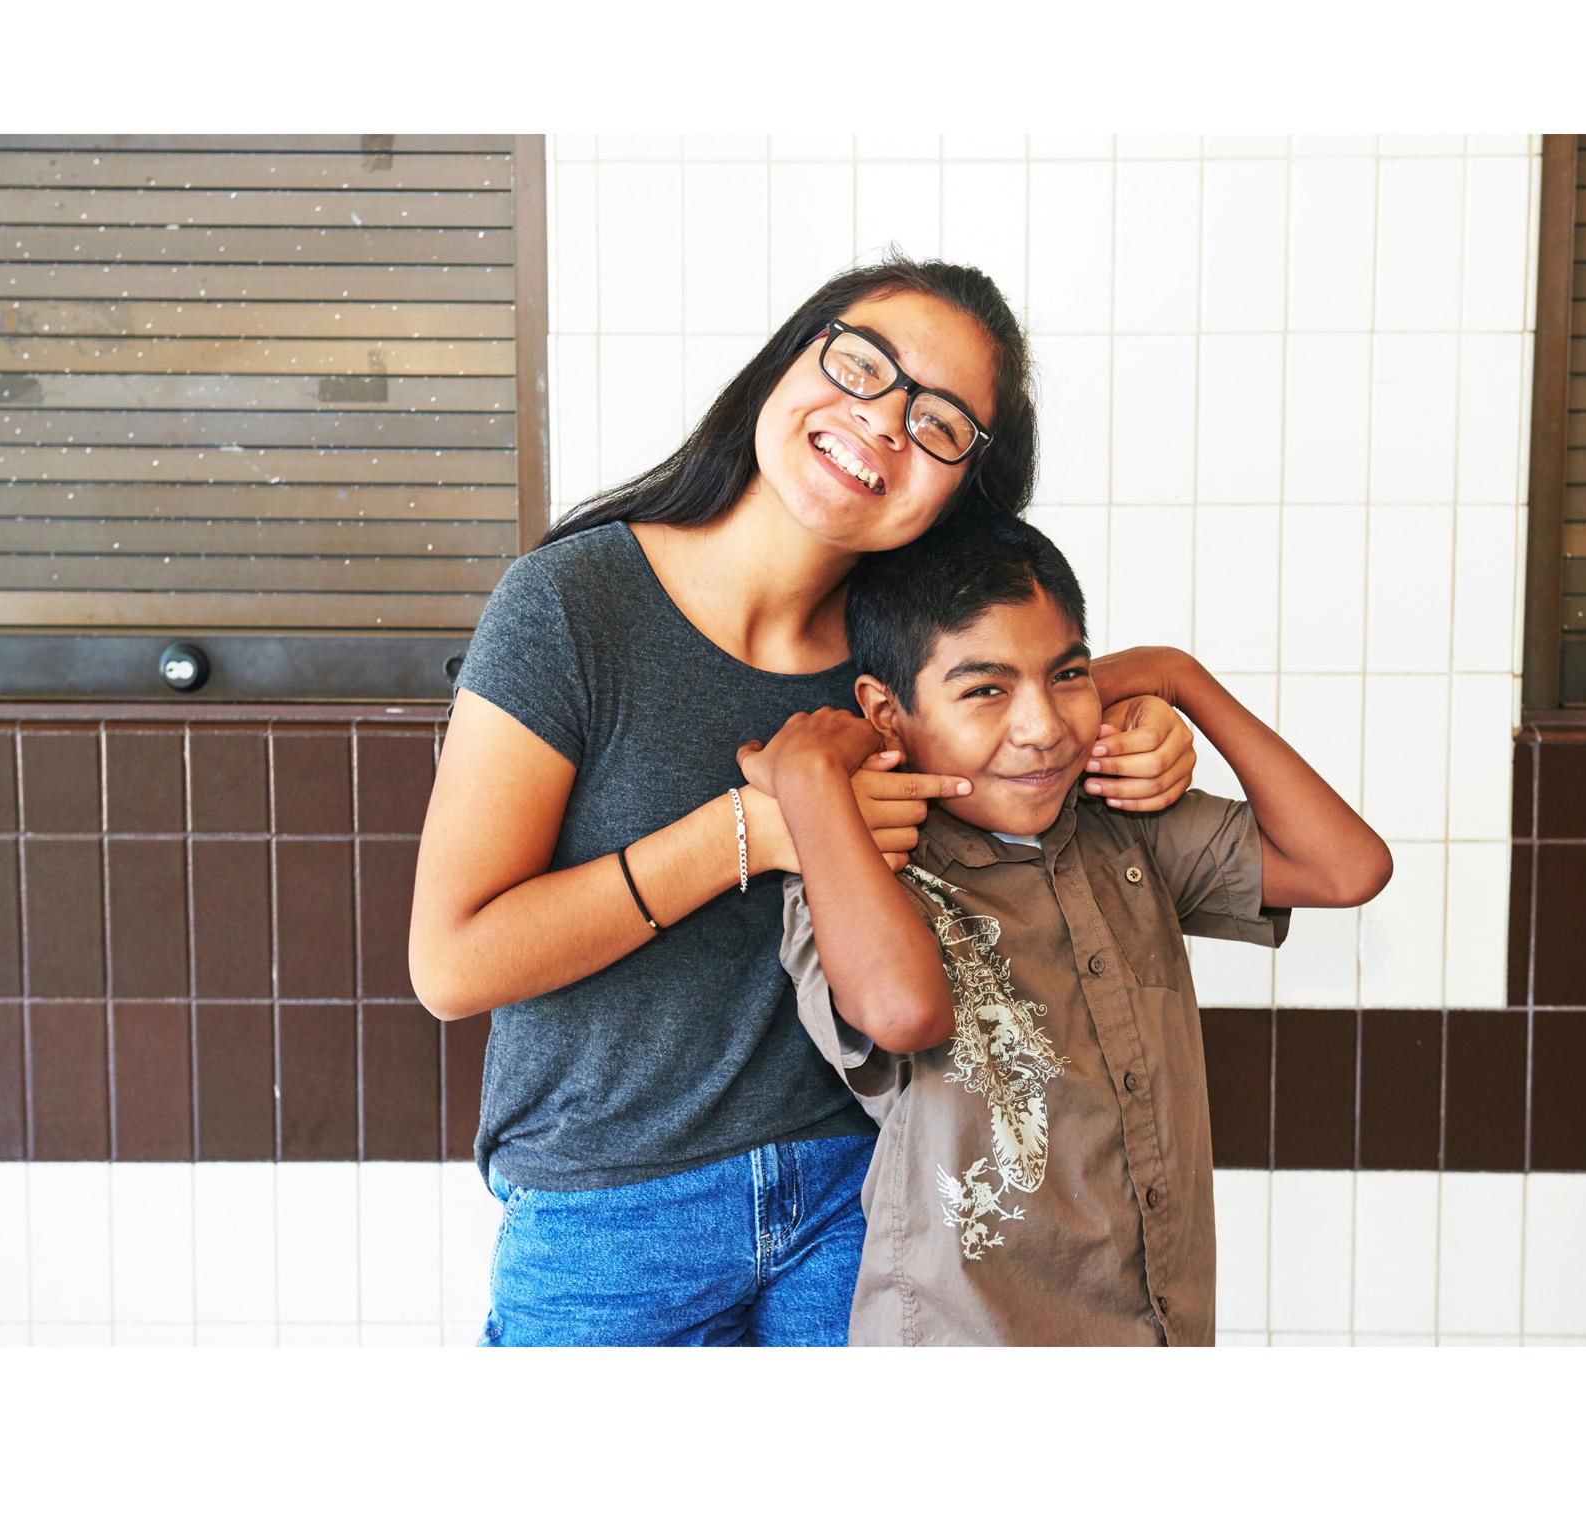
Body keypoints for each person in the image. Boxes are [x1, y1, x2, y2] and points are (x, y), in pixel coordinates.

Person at [409, 255, 1199, 1347]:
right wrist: (749, 831)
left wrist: (1143, 714)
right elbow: (452, 964)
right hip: (612, 1217)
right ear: (788, 360)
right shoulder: (572, 606)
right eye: (862, 365)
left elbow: (1035, 729)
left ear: (965, 487)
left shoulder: (908, 665)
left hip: (868, 1196)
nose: (883, 420)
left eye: (939, 423)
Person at [765, 511, 1393, 1345]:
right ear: (886, 710)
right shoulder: (862, 862)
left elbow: (1348, 867)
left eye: (1067, 675)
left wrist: (1177, 675)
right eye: (985, 690)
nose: (1043, 727)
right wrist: (810, 774)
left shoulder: (1118, 823)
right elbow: (903, 1012)